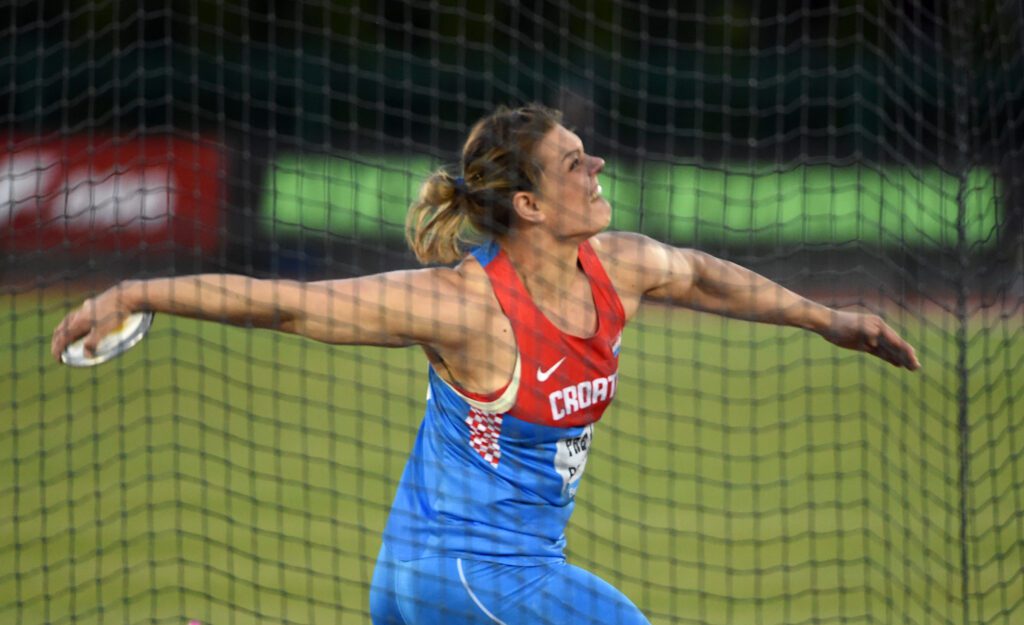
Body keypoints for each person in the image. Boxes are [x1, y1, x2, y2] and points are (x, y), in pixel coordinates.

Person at [51, 104, 920, 625]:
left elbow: (704, 277)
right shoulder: (465, 308)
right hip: (468, 575)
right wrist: (137, 289)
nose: (596, 165)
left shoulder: (620, 264)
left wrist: (828, 319)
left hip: (454, 581)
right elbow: (289, 304)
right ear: (530, 205)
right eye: (574, 162)